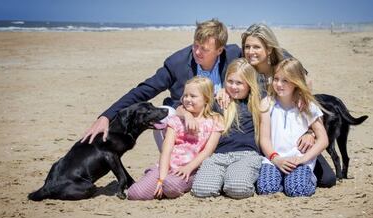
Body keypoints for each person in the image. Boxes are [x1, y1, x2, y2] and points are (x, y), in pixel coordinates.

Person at [81, 19, 240, 148]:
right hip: (190, 123)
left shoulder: (234, 55)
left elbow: (257, 73)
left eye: (204, 49)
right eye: (195, 45)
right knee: (164, 114)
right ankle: (171, 160)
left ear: (219, 50)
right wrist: (106, 116)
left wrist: (228, 89)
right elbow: (144, 90)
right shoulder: (176, 63)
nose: (197, 52)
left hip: (224, 123)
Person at [240, 23, 336, 188]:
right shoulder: (245, 72)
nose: (250, 52)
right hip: (269, 140)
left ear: (268, 49)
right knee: (267, 184)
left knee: (327, 179)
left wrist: (310, 132)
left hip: (296, 141)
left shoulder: (283, 69)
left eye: (256, 47)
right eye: (247, 47)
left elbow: (306, 95)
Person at [127, 77, 224, 200]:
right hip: (167, 166)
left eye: (193, 96)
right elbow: (166, 150)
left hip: (191, 169)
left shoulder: (215, 120)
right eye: (185, 95)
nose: (187, 99)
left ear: (206, 99)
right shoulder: (176, 120)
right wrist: (161, 178)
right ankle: (155, 179)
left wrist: (189, 168)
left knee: (171, 186)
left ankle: (178, 183)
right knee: (135, 193)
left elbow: (207, 151)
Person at [191, 58, 263, 199]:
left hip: (246, 155)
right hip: (218, 156)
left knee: (238, 189)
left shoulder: (256, 102)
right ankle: (224, 179)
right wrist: (187, 116)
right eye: (230, 82)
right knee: (201, 191)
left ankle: (234, 178)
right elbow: (185, 106)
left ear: (249, 84)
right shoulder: (218, 101)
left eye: (239, 83)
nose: (234, 87)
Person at [256, 58, 328, 197]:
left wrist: (303, 159)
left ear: (296, 81)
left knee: (297, 190)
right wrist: (275, 158)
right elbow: (264, 139)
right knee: (266, 189)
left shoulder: (307, 106)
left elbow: (323, 139)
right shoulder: (266, 104)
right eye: (276, 79)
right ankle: (283, 180)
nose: (279, 84)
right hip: (273, 160)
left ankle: (308, 179)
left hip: (298, 161)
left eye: (285, 80)